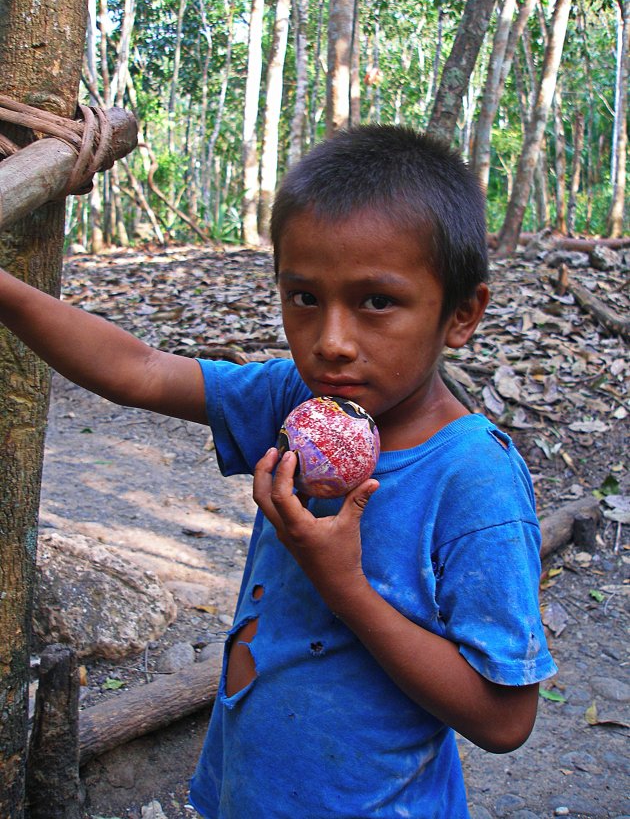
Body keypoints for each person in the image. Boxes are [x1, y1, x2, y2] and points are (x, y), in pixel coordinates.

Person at [0, 124, 556, 818]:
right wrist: (8, 294)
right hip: (249, 790)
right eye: (303, 298)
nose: (331, 342)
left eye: (376, 302)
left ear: (461, 314)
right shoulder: (298, 400)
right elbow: (139, 372)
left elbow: (505, 721)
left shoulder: (474, 479)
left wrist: (344, 584)